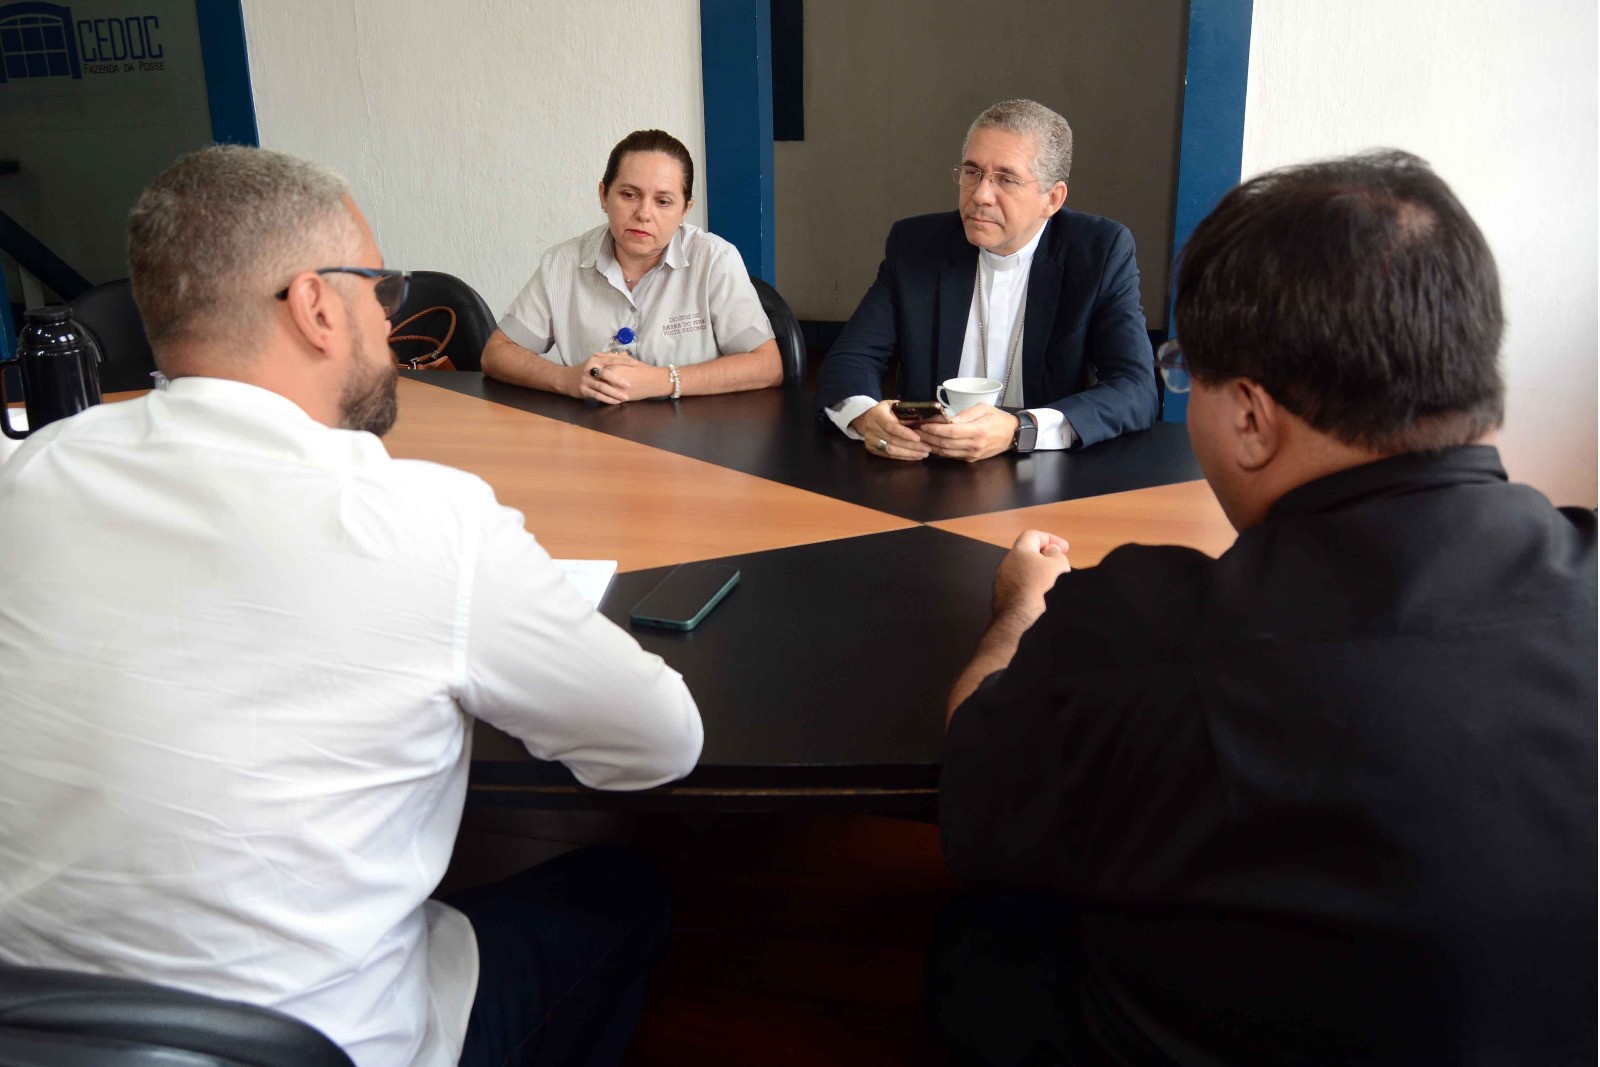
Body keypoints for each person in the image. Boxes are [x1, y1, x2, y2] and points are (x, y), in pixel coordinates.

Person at [0, 145, 705, 1067]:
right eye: (379, 284)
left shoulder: (33, 473)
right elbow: (660, 742)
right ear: (316, 305)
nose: (389, 311)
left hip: (32, 1031)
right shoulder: (428, 525)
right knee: (625, 889)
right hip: (337, 1044)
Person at [930, 150, 1596, 1062]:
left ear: (1250, 417)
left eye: (1186, 370)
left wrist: (1019, 614)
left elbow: (974, 782)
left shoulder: (1142, 631)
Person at [816, 98, 1157, 462]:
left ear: (1052, 200)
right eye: (972, 172)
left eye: (1006, 179)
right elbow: (850, 361)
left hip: (1044, 472)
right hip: (924, 468)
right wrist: (868, 418)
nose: (980, 196)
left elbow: (1135, 389)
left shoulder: (1099, 251)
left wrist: (1021, 429)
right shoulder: (916, 245)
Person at [483, 129, 781, 402]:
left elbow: (767, 365)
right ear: (603, 195)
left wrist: (664, 380)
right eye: (629, 195)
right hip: (594, 439)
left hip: (694, 440)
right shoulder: (562, 263)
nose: (643, 213)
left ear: (685, 210)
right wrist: (566, 378)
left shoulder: (715, 260)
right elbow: (497, 353)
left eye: (663, 201)